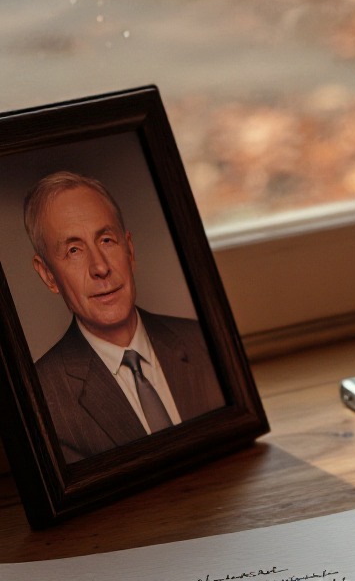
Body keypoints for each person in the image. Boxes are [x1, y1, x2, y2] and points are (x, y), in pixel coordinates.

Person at [25, 170, 223, 461]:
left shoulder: (205, 342)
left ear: (129, 250)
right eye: (74, 250)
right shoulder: (42, 399)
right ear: (48, 275)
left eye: (106, 240)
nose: (100, 268)